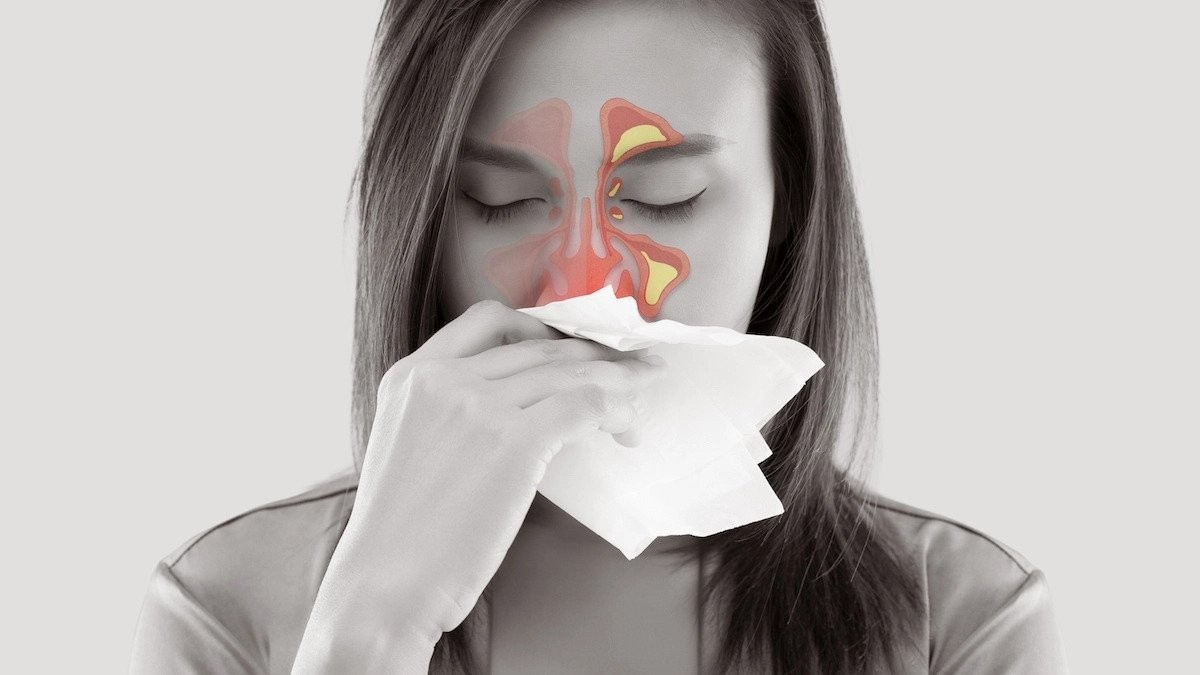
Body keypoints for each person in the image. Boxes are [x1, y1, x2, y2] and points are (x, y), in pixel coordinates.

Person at [129, 0, 1070, 672]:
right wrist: (372, 622)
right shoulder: (231, 609)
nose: (586, 286)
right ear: (421, 216)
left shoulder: (958, 618)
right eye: (502, 202)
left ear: (791, 201)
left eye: (668, 201)